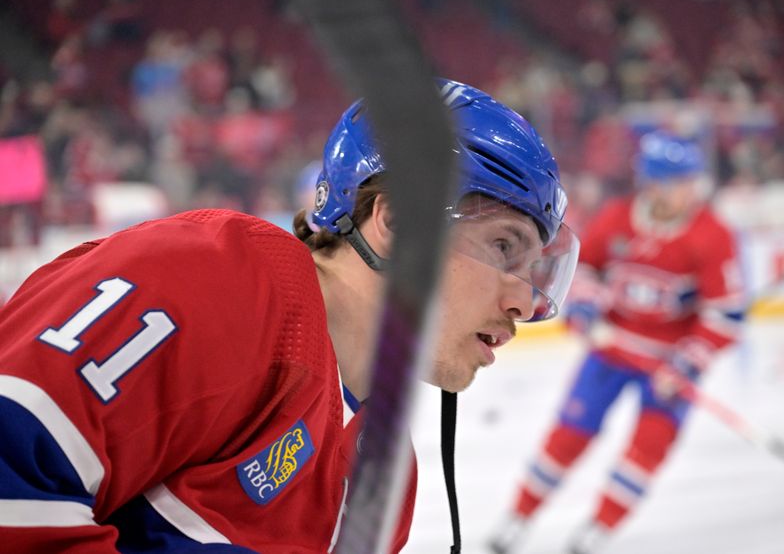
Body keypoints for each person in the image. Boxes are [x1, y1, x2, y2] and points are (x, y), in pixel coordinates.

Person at [0, 79, 579, 553]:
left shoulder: (383, 478)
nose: (525, 302)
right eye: (505, 247)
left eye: (534, 270)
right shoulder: (212, 281)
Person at [489, 131, 747, 554]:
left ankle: (600, 528)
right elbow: (584, 269)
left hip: (667, 367)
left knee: (647, 450)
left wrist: (686, 365)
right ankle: (518, 516)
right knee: (568, 435)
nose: (690, 191)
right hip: (610, 352)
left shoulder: (712, 235)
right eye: (679, 182)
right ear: (653, 183)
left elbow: (726, 315)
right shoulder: (617, 217)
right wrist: (586, 309)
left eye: (691, 181)